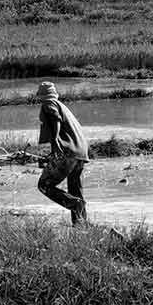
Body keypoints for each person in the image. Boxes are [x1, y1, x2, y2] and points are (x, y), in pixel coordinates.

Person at [36, 81, 90, 225]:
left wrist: (56, 141)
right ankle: (80, 225)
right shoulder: (63, 106)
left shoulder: (49, 103)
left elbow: (55, 120)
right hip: (80, 152)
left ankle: (74, 205)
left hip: (67, 151)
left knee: (44, 185)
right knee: (75, 188)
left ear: (41, 95)